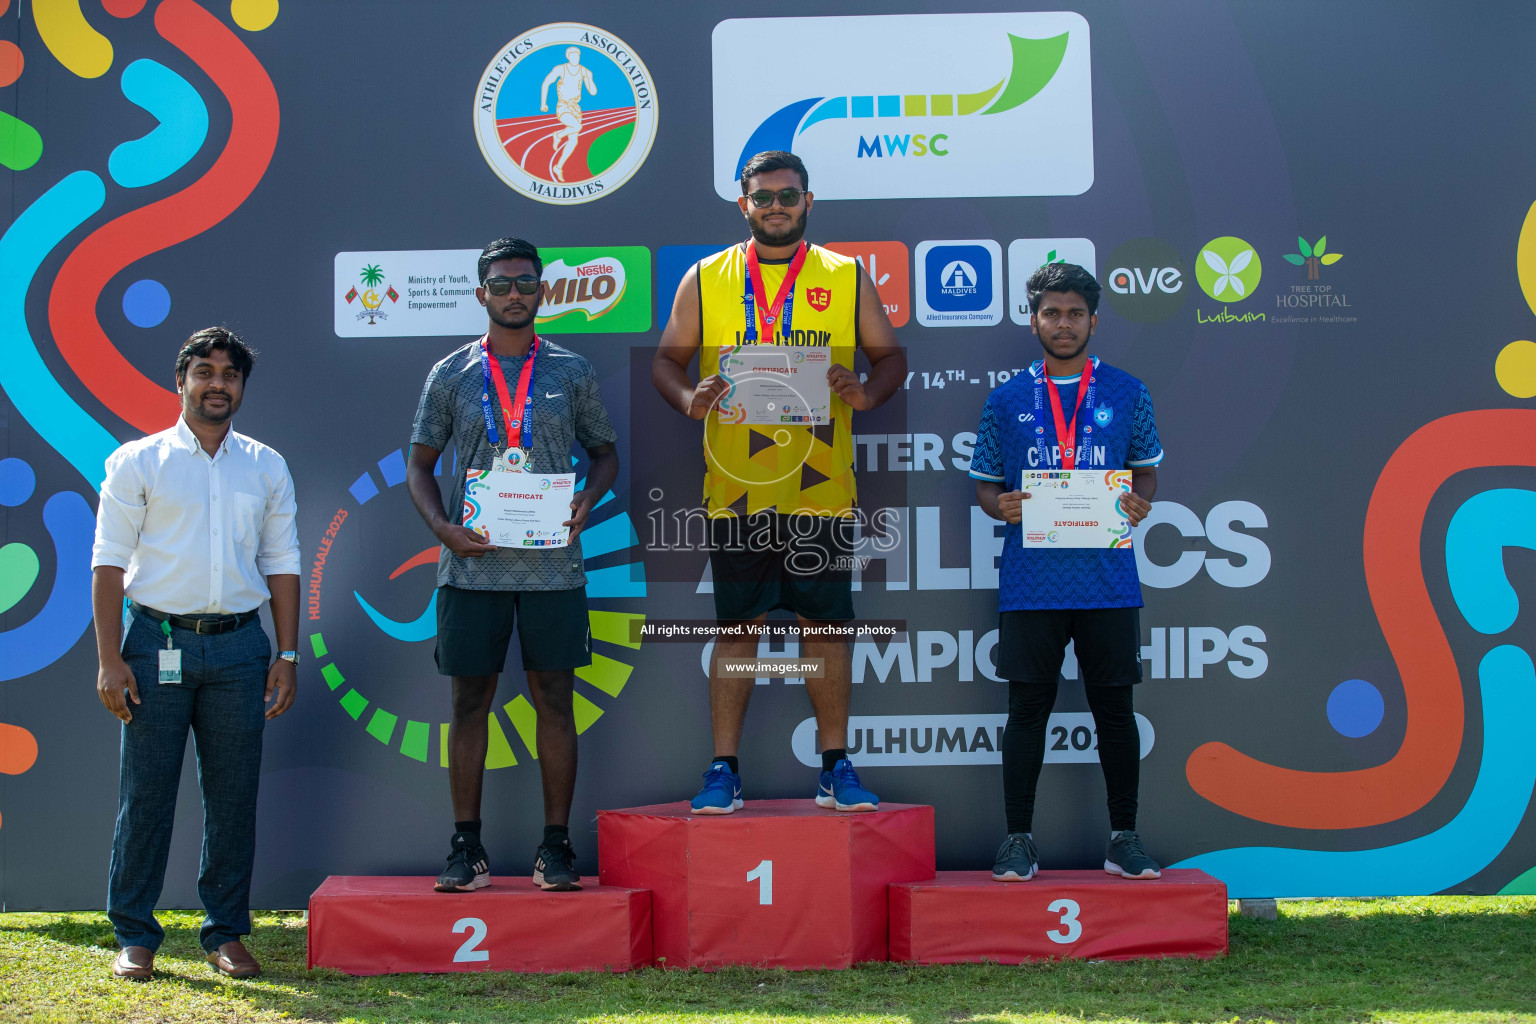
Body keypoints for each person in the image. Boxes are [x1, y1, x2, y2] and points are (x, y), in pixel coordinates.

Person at [652, 150, 906, 814]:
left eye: (787, 197)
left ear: (808, 202)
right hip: (737, 491)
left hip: (821, 490)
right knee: (740, 629)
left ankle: (833, 765)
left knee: (826, 629)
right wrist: (689, 398)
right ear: (744, 205)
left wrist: (869, 393)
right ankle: (724, 768)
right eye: (762, 198)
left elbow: (890, 357)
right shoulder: (706, 278)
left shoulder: (846, 276)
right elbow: (666, 362)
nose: (775, 208)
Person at [407, 236, 618, 893]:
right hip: (472, 569)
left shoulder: (572, 370)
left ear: (543, 292)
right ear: (482, 295)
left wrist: (589, 497)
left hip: (555, 568)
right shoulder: (450, 374)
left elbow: (605, 453)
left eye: (526, 283)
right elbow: (418, 464)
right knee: (469, 704)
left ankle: (555, 848)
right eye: (501, 285)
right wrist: (443, 530)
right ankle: (465, 847)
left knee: (555, 700)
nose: (515, 294)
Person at [91, 327, 300, 980]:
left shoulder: (266, 465)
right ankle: (135, 935)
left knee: (233, 797)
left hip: (241, 649)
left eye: (230, 374)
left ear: (241, 386)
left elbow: (284, 563)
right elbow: (107, 564)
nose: (217, 383)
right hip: (156, 645)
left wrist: (287, 655)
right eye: (204, 371)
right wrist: (110, 659)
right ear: (179, 381)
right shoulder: (138, 462)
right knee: (146, 793)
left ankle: (226, 934)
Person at [969, 262, 1165, 882]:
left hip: (1107, 577)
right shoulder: (1004, 401)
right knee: (1027, 709)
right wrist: (996, 506)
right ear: (1033, 320)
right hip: (1032, 581)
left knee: (1115, 710)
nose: (1063, 324)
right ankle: (1017, 839)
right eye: (1051, 313)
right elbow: (986, 486)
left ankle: (1123, 838)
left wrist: (1140, 500)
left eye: (1075, 313)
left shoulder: (1129, 392)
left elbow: (1145, 472)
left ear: (1094, 320)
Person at [540, 46, 596, 182]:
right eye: (572, 55)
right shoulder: (560, 69)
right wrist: (543, 103)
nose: (575, 58)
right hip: (563, 106)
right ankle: (558, 135)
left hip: (576, 108)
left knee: (573, 141)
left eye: (577, 55)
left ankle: (558, 167)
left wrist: (589, 77)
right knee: (577, 127)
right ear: (568, 56)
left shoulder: (584, 71)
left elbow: (593, 92)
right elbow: (546, 83)